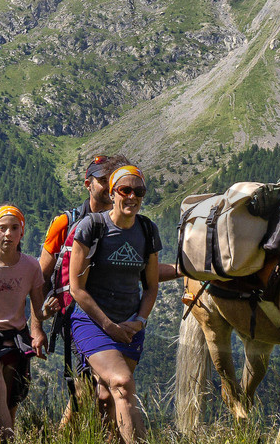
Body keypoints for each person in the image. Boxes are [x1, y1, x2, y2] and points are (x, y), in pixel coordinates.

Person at [41, 154, 179, 427]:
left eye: (137, 190)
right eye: (104, 181)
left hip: (123, 319)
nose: (108, 187)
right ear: (89, 184)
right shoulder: (73, 223)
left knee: (103, 393)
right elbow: (40, 275)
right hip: (81, 317)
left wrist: (183, 269)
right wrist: (37, 321)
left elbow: (143, 273)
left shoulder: (141, 229)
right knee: (91, 389)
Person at [66, 162, 161, 444]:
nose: (132, 197)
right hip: (92, 323)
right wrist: (108, 326)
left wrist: (139, 322)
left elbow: (151, 287)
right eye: (125, 190)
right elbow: (76, 288)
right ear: (113, 192)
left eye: (139, 191)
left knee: (108, 396)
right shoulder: (92, 227)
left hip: (130, 325)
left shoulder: (147, 230)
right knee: (122, 382)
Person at [0, 204, 46, 444]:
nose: (8, 234)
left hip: (17, 336)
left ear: (22, 233)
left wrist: (40, 329)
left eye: (14, 228)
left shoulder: (31, 266)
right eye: (2, 228)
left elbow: (38, 306)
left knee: (12, 399)